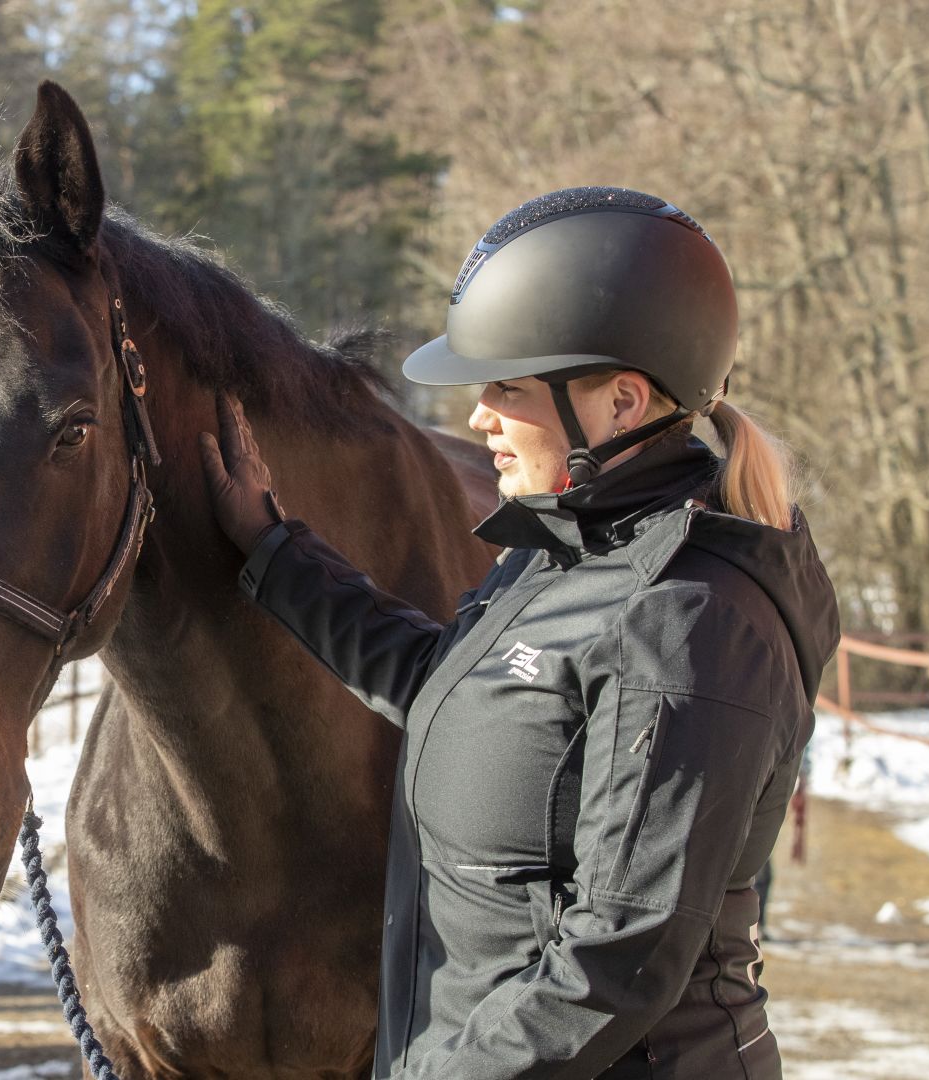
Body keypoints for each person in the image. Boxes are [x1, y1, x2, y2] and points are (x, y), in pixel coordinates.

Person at [200, 187, 840, 1079]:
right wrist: (273, 551)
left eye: (507, 386)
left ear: (620, 402)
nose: (478, 418)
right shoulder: (567, 551)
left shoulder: (689, 623)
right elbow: (451, 682)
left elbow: (618, 960)